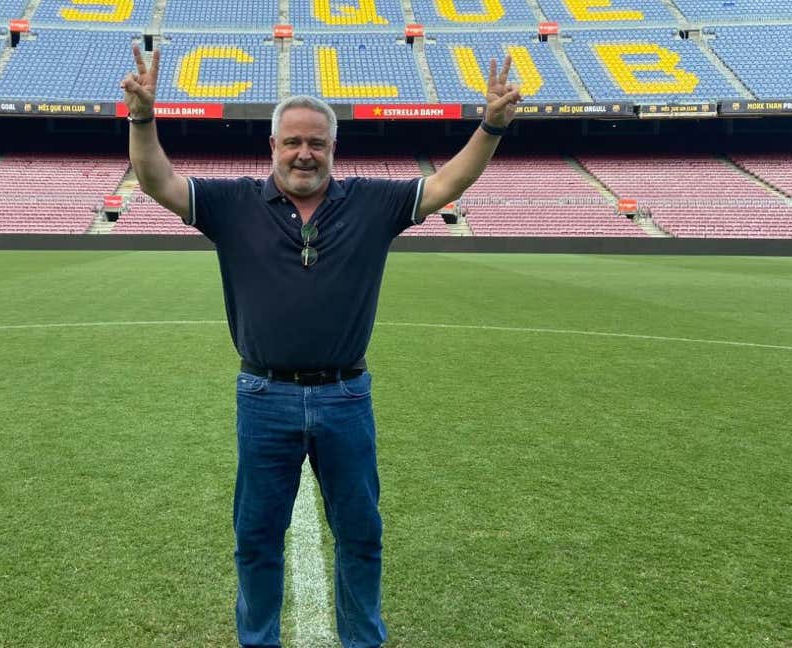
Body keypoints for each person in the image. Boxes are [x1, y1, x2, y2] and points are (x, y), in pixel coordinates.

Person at [121, 44, 521, 648]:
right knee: (256, 538)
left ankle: (363, 641)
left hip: (345, 397)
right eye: (292, 142)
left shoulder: (373, 201)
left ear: (334, 149)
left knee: (360, 535)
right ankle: (259, 640)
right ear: (273, 147)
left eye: (317, 143)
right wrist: (143, 118)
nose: (304, 153)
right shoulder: (233, 204)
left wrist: (489, 126)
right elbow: (158, 180)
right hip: (263, 397)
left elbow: (446, 182)